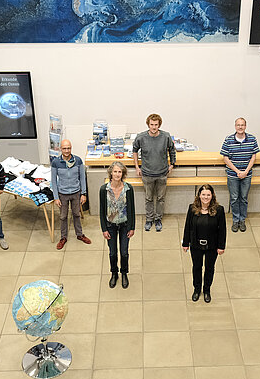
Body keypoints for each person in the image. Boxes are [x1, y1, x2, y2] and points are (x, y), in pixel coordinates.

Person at [182, 184, 226, 303]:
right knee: (196, 267)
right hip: (196, 245)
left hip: (212, 246)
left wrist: (221, 246)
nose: (205, 197)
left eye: (208, 195)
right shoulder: (192, 208)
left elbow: (222, 230)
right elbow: (187, 227)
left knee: (209, 268)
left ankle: (207, 290)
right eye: (203, 194)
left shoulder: (219, 210)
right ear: (199, 195)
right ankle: (197, 290)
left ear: (212, 196)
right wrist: (185, 243)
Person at [133, 113, 176, 232]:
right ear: (148, 124)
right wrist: (137, 167)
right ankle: (149, 220)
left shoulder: (166, 136)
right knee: (149, 198)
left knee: (161, 198)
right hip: (147, 174)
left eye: (156, 125)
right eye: (151, 124)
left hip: (162, 174)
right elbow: (135, 151)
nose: (154, 127)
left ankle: (158, 219)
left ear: (159, 125)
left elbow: (172, 150)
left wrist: (172, 164)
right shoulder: (141, 137)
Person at [99, 161, 136, 289]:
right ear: (111, 173)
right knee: (112, 253)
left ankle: (124, 273)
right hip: (110, 226)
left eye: (119, 172)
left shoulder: (128, 189)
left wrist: (132, 227)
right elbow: (102, 210)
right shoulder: (104, 189)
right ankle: (114, 273)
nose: (117, 174)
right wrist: (104, 229)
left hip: (125, 225)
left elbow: (132, 209)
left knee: (124, 252)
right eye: (115, 171)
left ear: (123, 173)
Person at [220, 117, 259, 233]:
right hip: (233, 175)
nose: (240, 127)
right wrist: (237, 171)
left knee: (244, 198)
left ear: (245, 126)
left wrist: (246, 171)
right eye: (238, 125)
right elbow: (225, 158)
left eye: (242, 125)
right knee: (234, 198)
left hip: (247, 174)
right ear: (235, 126)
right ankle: (235, 220)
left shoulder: (252, 139)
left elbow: (253, 156)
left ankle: (242, 220)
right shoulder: (228, 140)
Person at [51, 139, 91, 250]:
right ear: (60, 149)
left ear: (71, 148)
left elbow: (82, 178)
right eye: (64, 148)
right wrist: (56, 197)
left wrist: (83, 193)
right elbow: (53, 181)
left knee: (76, 214)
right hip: (62, 194)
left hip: (76, 193)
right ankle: (63, 237)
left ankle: (80, 234)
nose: (67, 150)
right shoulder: (56, 162)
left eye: (68, 148)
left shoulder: (78, 161)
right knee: (63, 216)